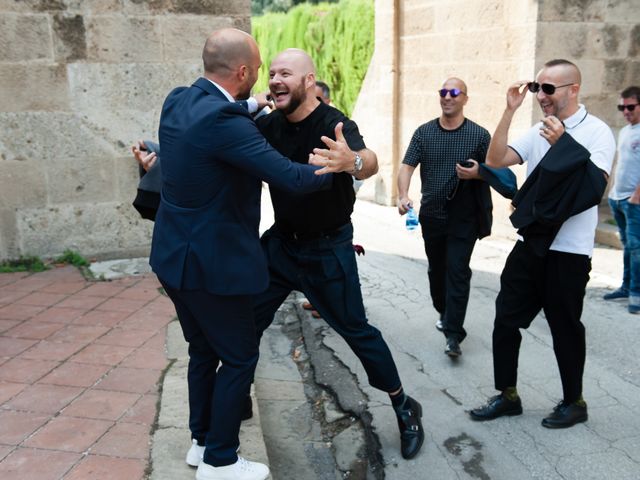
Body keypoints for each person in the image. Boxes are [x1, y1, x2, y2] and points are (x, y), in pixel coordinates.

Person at [149, 29, 335, 480]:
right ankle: (220, 460)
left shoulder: (179, 99)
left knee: (201, 349)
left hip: (173, 258)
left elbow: (228, 111)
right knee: (237, 357)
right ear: (245, 72)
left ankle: (200, 441)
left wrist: (255, 107)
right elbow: (289, 177)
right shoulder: (226, 124)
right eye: (260, 73)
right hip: (213, 266)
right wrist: (337, 165)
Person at [253, 48, 425, 460]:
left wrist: (352, 162)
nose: (276, 80)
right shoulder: (268, 125)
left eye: (286, 74)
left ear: (309, 81)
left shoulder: (335, 123)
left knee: (357, 332)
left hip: (327, 249)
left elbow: (370, 161)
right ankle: (237, 390)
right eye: (272, 73)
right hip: (280, 245)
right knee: (244, 318)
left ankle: (404, 407)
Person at [469, 59, 616, 429]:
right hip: (532, 243)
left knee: (565, 327)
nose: (541, 96)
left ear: (573, 90)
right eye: (538, 87)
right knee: (505, 318)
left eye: (549, 89)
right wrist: (508, 110)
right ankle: (508, 395)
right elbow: (496, 159)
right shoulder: (538, 130)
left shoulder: (597, 132)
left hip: (569, 251)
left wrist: (564, 144)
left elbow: (593, 188)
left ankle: (574, 401)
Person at [397, 77, 492, 358]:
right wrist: (403, 195)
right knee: (437, 271)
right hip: (432, 215)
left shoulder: (479, 135)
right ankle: (444, 311)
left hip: (465, 217)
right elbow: (406, 166)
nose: (447, 97)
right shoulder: (424, 133)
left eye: (454, 92)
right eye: (443, 92)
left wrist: (478, 173)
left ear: (465, 98)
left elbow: (494, 168)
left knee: (458, 271)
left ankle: (454, 334)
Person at [603, 86, 640, 314]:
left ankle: (636, 294)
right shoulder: (626, 131)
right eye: (621, 107)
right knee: (627, 246)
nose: (625, 111)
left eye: (630, 107)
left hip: (634, 200)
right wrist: (613, 192)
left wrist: (637, 194)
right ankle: (626, 287)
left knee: (636, 247)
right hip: (618, 197)